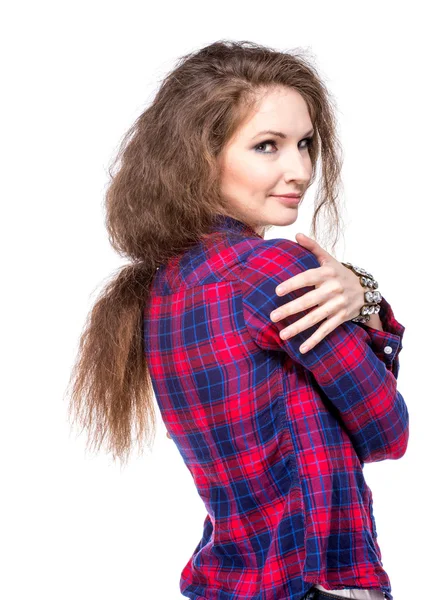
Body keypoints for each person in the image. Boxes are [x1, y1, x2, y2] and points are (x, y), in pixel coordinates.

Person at [65, 40, 408, 600]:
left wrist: (358, 294)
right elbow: (387, 431)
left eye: (306, 143)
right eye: (267, 146)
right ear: (201, 156)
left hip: (228, 581)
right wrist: (366, 299)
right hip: (313, 579)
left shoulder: (162, 290)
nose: (299, 169)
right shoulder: (274, 271)